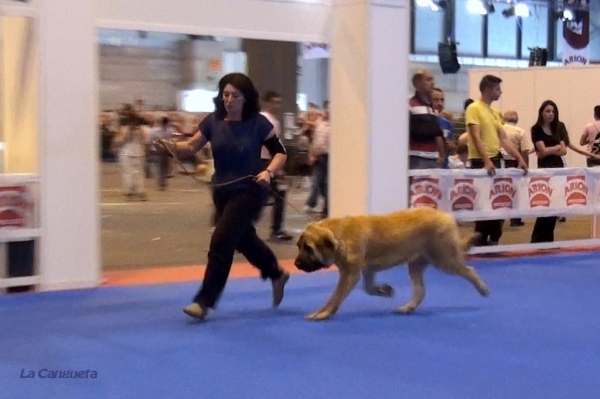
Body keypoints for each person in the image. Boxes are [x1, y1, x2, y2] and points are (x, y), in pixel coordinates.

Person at [160, 73, 290, 321]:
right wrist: (169, 146)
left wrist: (268, 172)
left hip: (250, 190)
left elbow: (280, 153)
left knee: (221, 240)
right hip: (221, 191)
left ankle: (204, 301)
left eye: (235, 96)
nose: (229, 100)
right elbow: (191, 147)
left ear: (246, 98)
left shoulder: (259, 123)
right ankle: (276, 273)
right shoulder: (213, 121)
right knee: (244, 241)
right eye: (225, 94)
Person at [466, 75, 527, 247]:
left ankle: (493, 239)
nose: (500, 92)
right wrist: (486, 160)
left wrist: (519, 158)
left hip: (496, 160)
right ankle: (479, 242)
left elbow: (504, 140)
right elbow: (476, 136)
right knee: (484, 205)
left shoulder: (495, 113)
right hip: (480, 161)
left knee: (499, 203)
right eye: (497, 89)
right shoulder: (474, 108)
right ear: (487, 89)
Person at [530, 100, 566, 243]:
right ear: (542, 113)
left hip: (558, 168)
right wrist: (556, 147)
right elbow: (542, 152)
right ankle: (537, 239)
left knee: (555, 206)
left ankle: (548, 239)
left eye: (553, 112)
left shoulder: (558, 128)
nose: (550, 114)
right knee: (545, 205)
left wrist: (551, 149)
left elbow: (563, 150)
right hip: (545, 170)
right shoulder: (536, 129)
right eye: (547, 111)